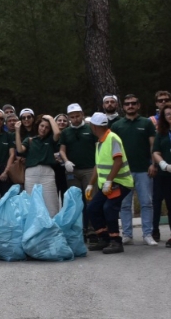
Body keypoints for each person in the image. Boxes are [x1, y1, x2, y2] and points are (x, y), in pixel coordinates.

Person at [110, 94, 157, 246]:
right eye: (127, 104)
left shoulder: (146, 123)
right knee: (124, 204)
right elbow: (113, 149)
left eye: (133, 103)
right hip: (124, 172)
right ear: (123, 107)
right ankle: (127, 235)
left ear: (138, 105)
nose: (130, 106)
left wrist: (153, 164)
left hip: (144, 169)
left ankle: (147, 234)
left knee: (146, 203)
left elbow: (153, 145)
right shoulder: (117, 125)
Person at [87, 112, 133, 254]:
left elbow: (118, 161)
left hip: (120, 182)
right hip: (107, 185)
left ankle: (115, 241)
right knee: (93, 208)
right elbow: (98, 166)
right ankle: (104, 238)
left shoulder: (112, 138)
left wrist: (109, 181)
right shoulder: (100, 142)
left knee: (109, 208)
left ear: (94, 126)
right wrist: (91, 184)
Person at [59, 103, 97, 242]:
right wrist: (66, 161)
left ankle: (94, 230)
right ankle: (79, 230)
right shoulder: (66, 132)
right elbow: (62, 150)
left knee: (90, 200)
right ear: (69, 117)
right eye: (72, 117)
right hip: (72, 171)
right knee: (75, 202)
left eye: (77, 116)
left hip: (89, 169)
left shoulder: (90, 129)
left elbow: (97, 147)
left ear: (82, 114)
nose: (75, 119)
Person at [15, 115, 61, 217]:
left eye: (47, 127)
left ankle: (52, 228)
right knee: (31, 203)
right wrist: (17, 131)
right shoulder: (30, 140)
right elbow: (19, 149)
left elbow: (57, 132)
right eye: (42, 126)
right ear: (38, 126)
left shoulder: (50, 140)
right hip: (31, 174)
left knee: (51, 204)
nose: (43, 129)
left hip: (47, 174)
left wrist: (50, 118)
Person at [151, 91, 170, 242]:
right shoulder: (161, 133)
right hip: (164, 174)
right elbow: (155, 151)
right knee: (158, 202)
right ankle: (155, 229)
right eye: (167, 114)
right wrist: (162, 164)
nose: (170, 116)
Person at [53, 113, 70, 204]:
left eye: (64, 121)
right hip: (53, 169)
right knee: (53, 197)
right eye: (59, 120)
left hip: (66, 169)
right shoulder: (50, 136)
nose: (62, 122)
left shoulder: (70, 135)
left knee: (66, 195)